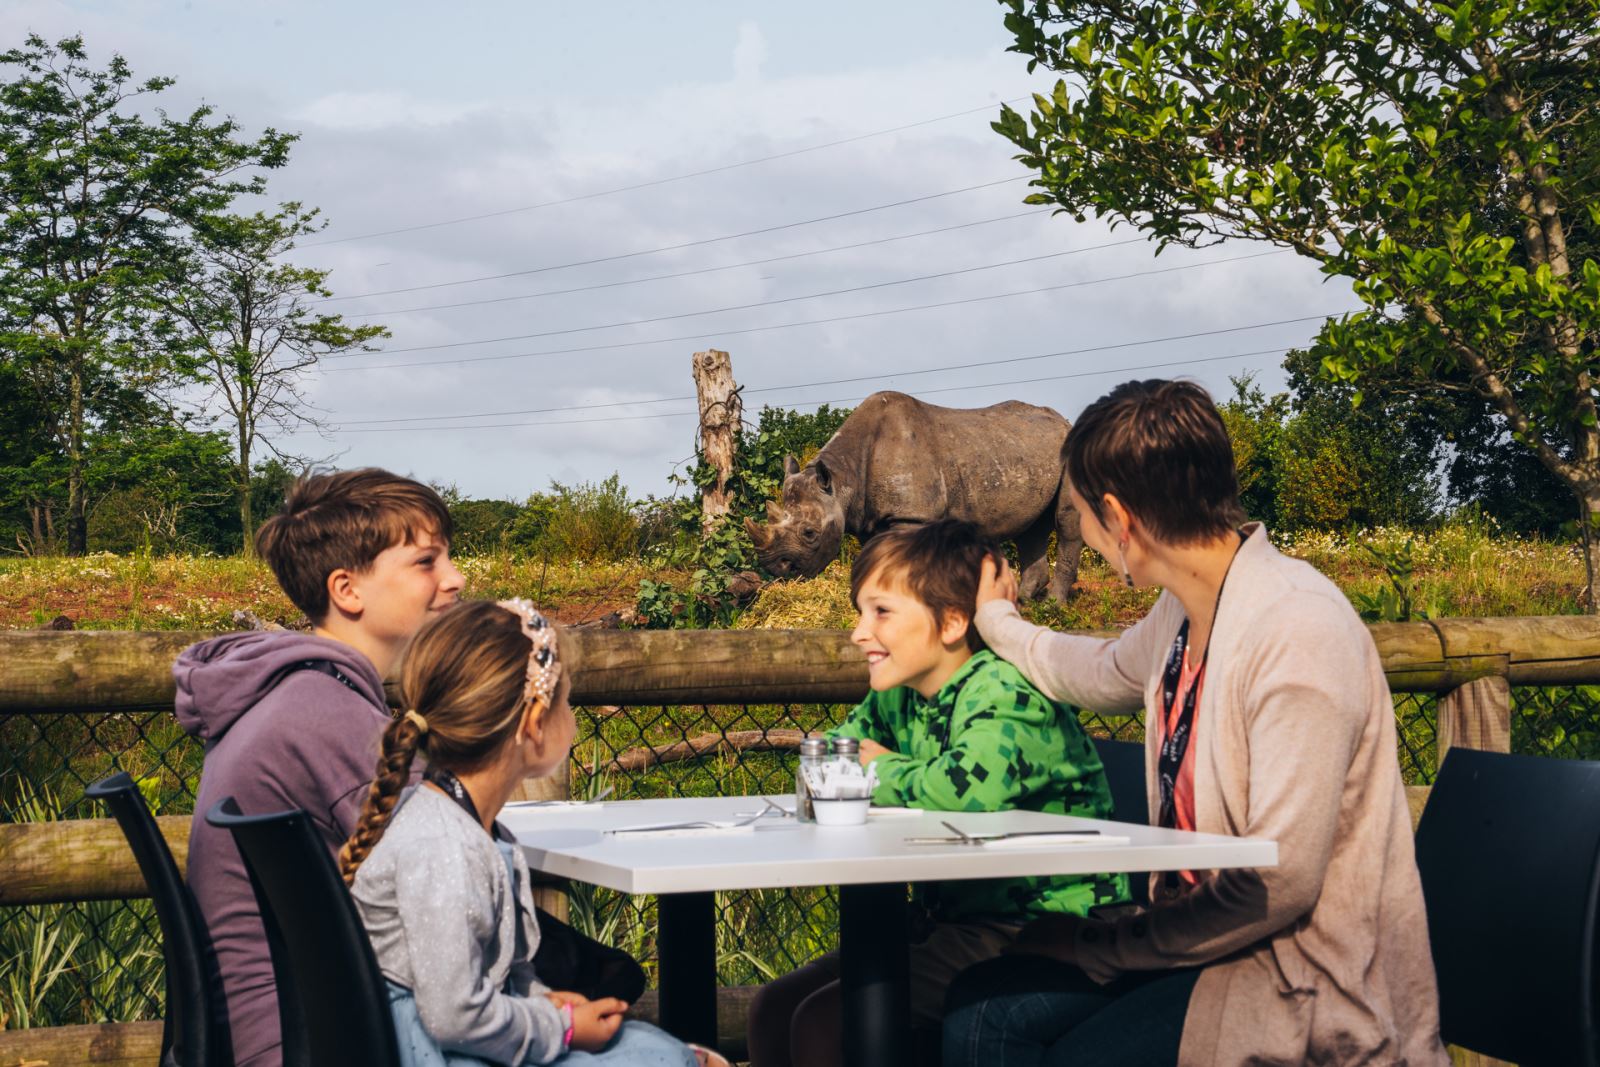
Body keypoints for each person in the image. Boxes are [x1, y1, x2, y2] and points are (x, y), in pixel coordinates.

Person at [942, 380, 1448, 1066]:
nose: (1083, 534)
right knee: (979, 1003)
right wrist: (998, 618)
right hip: (1204, 950)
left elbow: (1282, 879)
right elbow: (1098, 670)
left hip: (1300, 984)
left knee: (1017, 1032)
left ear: (1118, 518)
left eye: (1084, 515)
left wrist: (1105, 946)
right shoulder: (1189, 608)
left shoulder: (1297, 629)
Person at [175, 469, 641, 1067]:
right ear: (347, 590)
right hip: (309, 1039)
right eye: (426, 562)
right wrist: (587, 988)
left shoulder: (304, 693)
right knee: (630, 1009)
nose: (456, 578)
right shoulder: (323, 713)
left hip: (294, 1021)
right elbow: (449, 860)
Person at [746, 520, 1129, 1067]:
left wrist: (874, 771)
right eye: (861, 611)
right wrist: (868, 768)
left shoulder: (1007, 690)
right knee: (772, 1007)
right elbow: (824, 760)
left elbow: (966, 790)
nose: (858, 632)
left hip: (1037, 927)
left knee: (822, 1023)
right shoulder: (900, 695)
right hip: (950, 922)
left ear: (951, 622)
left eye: (880, 612)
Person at [340, 598, 726, 1067]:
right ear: (534, 724)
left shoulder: (471, 826)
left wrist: (550, 1003)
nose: (573, 717)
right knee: (671, 1058)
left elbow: (501, 972)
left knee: (662, 1049)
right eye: (566, 700)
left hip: (461, 1036)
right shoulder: (444, 847)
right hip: (434, 1051)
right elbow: (454, 1015)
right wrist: (562, 1026)